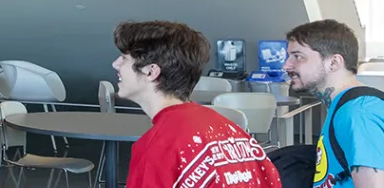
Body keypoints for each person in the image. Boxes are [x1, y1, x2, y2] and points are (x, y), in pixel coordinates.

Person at [112, 21, 281, 188]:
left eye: (124, 58)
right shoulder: (231, 130)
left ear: (150, 72)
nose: (115, 64)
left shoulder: (159, 145)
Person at [284, 20, 384, 188]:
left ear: (334, 63)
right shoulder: (347, 106)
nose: (286, 65)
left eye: (298, 57)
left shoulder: (358, 114)